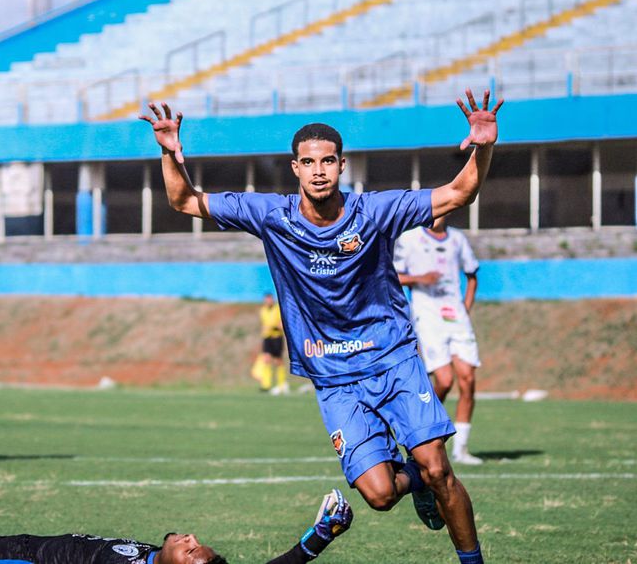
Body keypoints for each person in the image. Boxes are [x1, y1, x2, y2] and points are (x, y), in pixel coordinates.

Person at [140, 88, 502, 564]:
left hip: (392, 357)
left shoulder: (375, 211)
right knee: (379, 495)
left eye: (327, 161)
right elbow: (184, 200)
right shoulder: (271, 215)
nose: (318, 171)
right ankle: (413, 478)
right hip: (333, 377)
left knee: (439, 468)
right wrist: (170, 153)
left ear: (341, 165)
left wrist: (484, 147)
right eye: (308, 162)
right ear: (295, 168)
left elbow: (458, 193)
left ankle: (469, 555)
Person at [0, 489, 353, 564]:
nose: (190, 539)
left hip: (2, 559)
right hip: (16, 543)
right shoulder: (149, 555)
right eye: (198, 543)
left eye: (191, 552)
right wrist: (318, 537)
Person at [394, 215, 482, 465]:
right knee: (444, 380)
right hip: (428, 316)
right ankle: (423, 433)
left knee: (468, 379)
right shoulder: (410, 239)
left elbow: (472, 276)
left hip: (456, 316)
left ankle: (461, 450)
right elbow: (393, 275)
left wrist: (465, 308)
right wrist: (420, 278)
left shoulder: (457, 239)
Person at [252, 292, 288, 394]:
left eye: (270, 299)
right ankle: (266, 385)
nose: (268, 301)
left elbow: (281, 324)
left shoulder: (277, 309)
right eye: (266, 300)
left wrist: (273, 326)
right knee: (266, 359)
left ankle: (281, 384)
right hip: (267, 337)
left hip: (276, 337)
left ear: (272, 300)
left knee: (278, 361)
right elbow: (263, 324)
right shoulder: (263, 311)